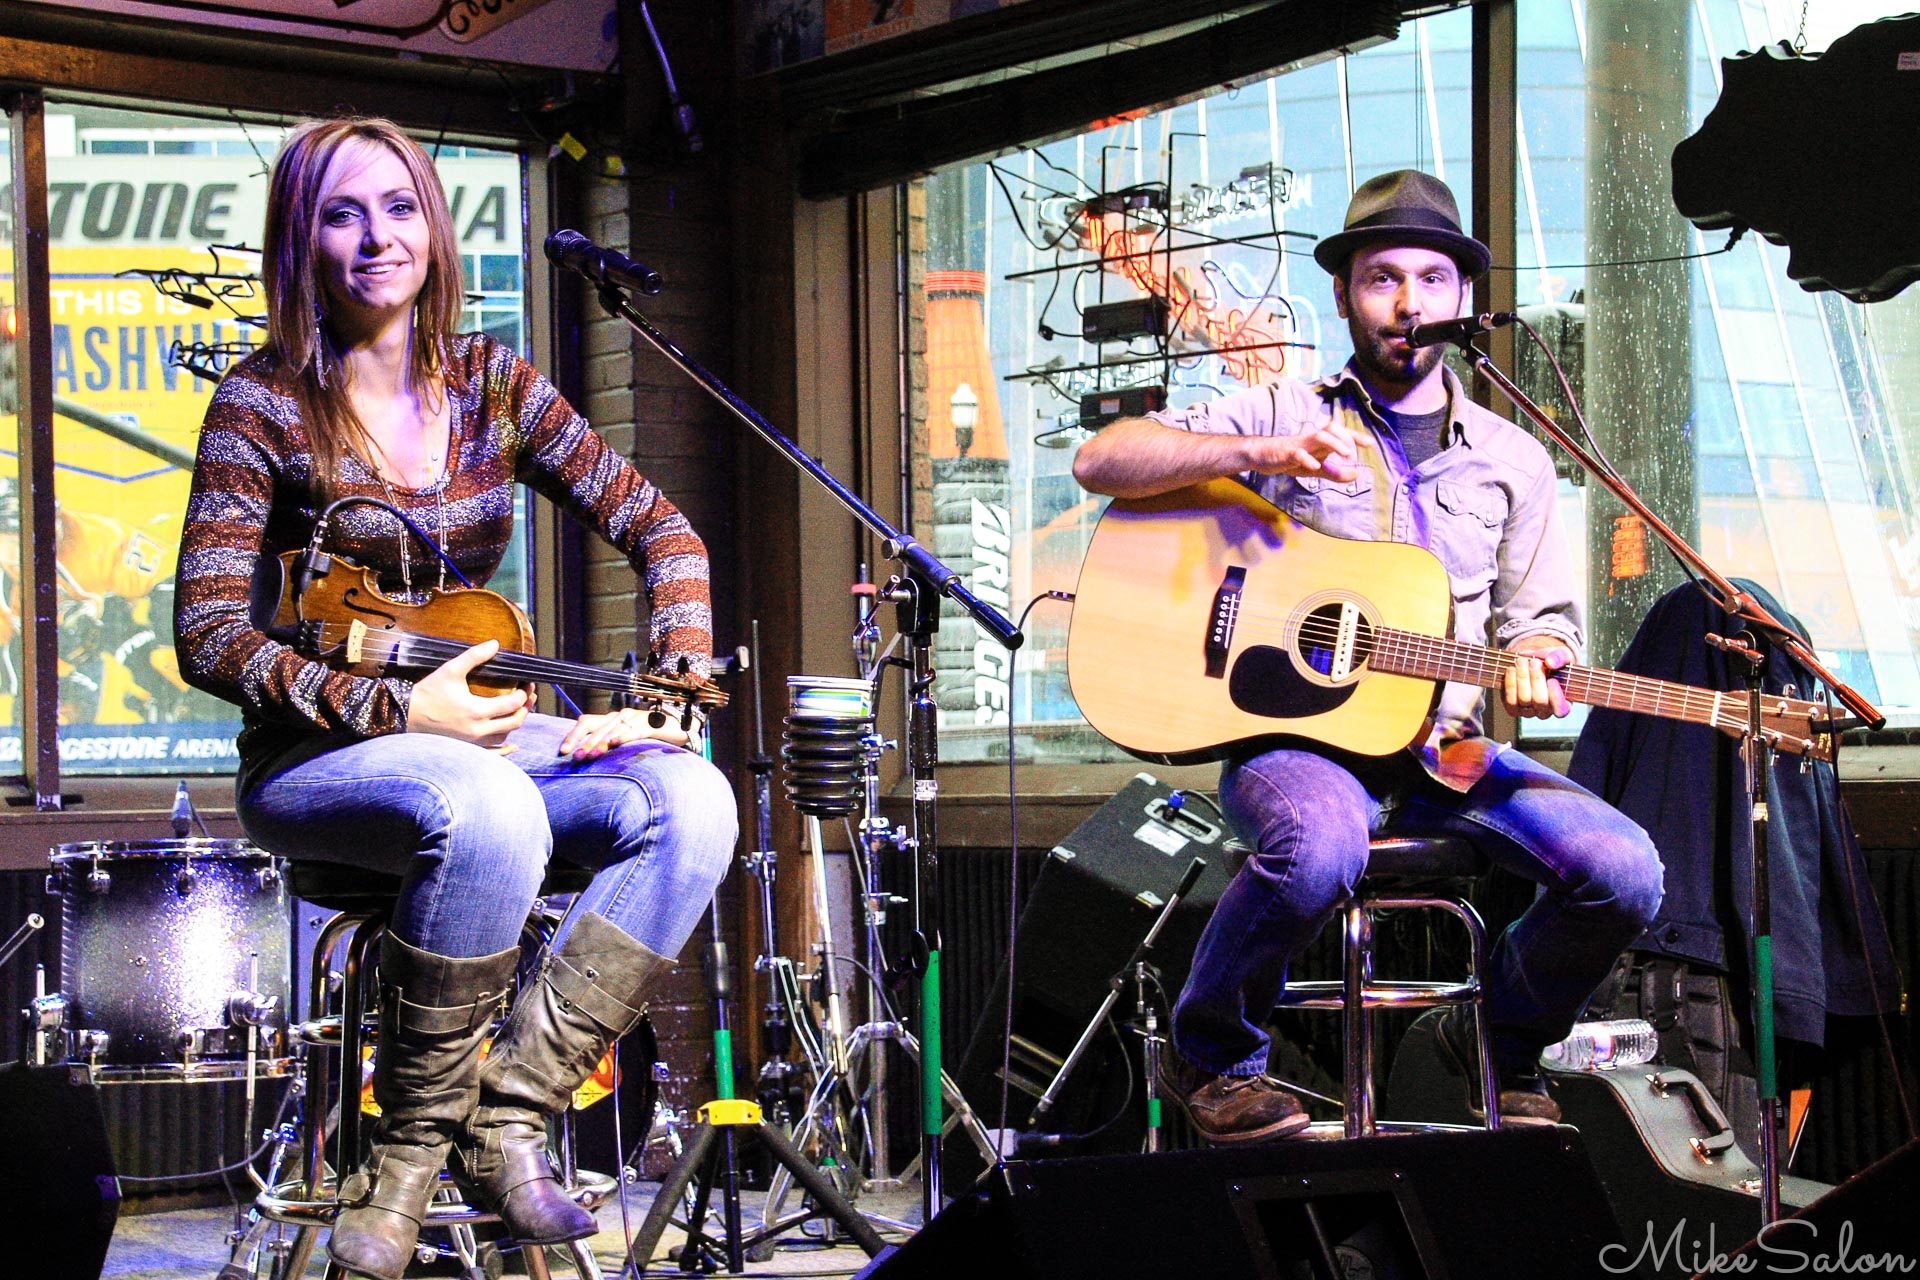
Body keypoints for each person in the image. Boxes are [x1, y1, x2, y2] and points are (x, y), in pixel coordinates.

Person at [174, 117, 737, 1278]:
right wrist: (403, 714)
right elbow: (209, 633)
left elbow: (662, 529)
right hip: (317, 760)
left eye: (397, 207)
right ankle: (404, 1156)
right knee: (486, 802)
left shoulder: (494, 385)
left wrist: (671, 684)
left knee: (696, 802)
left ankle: (512, 1108)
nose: (375, 237)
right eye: (341, 213)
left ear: (433, 226)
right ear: (301, 240)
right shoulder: (261, 403)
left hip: (480, 740)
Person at [1072, 170, 1664, 1143]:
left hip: (1446, 752)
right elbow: (1106, 461)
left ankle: (1492, 1045)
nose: (1408, 301)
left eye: (1432, 279)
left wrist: (1540, 656)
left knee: (1623, 866)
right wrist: (1257, 458)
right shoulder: (1283, 412)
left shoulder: (1513, 459)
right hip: (1300, 745)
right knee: (1318, 848)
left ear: (1462, 299)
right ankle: (1211, 1052)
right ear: (1348, 292)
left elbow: (1542, 622)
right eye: (1383, 277)